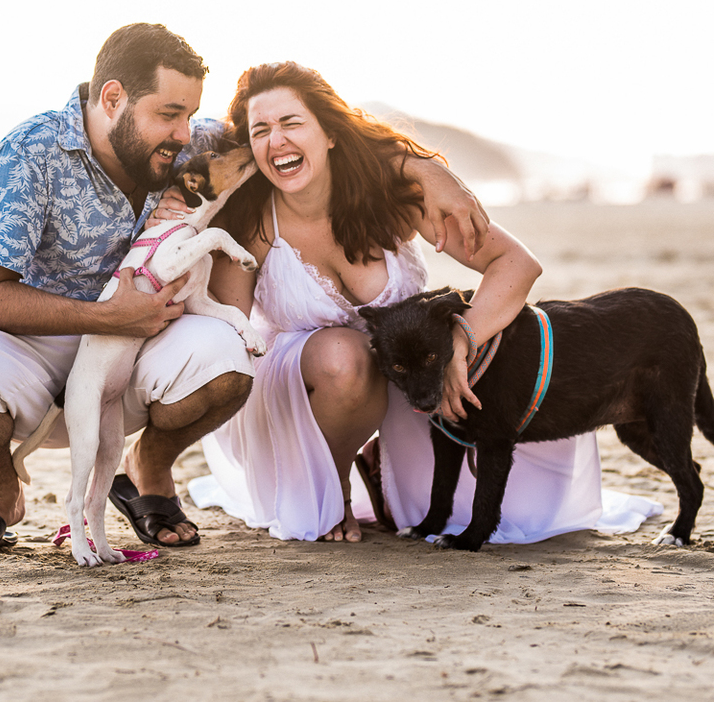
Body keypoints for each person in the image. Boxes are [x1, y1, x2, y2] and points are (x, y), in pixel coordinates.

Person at [0, 27, 490, 554]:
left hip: (144, 349)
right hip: (35, 345)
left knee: (231, 349)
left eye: (192, 115)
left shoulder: (198, 143)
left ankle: (149, 466)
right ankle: (0, 492)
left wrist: (422, 168)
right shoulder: (27, 154)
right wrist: (109, 318)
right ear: (113, 99)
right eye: (170, 114)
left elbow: (298, 134)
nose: (186, 133)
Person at [188, 61, 659, 544]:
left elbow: (517, 265)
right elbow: (228, 337)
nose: (276, 141)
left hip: (409, 387)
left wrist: (463, 339)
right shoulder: (250, 222)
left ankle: (377, 461)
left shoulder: (393, 198)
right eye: (260, 130)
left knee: (521, 514)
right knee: (344, 355)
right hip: (299, 390)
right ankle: (336, 492)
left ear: (329, 132)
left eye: (292, 123)